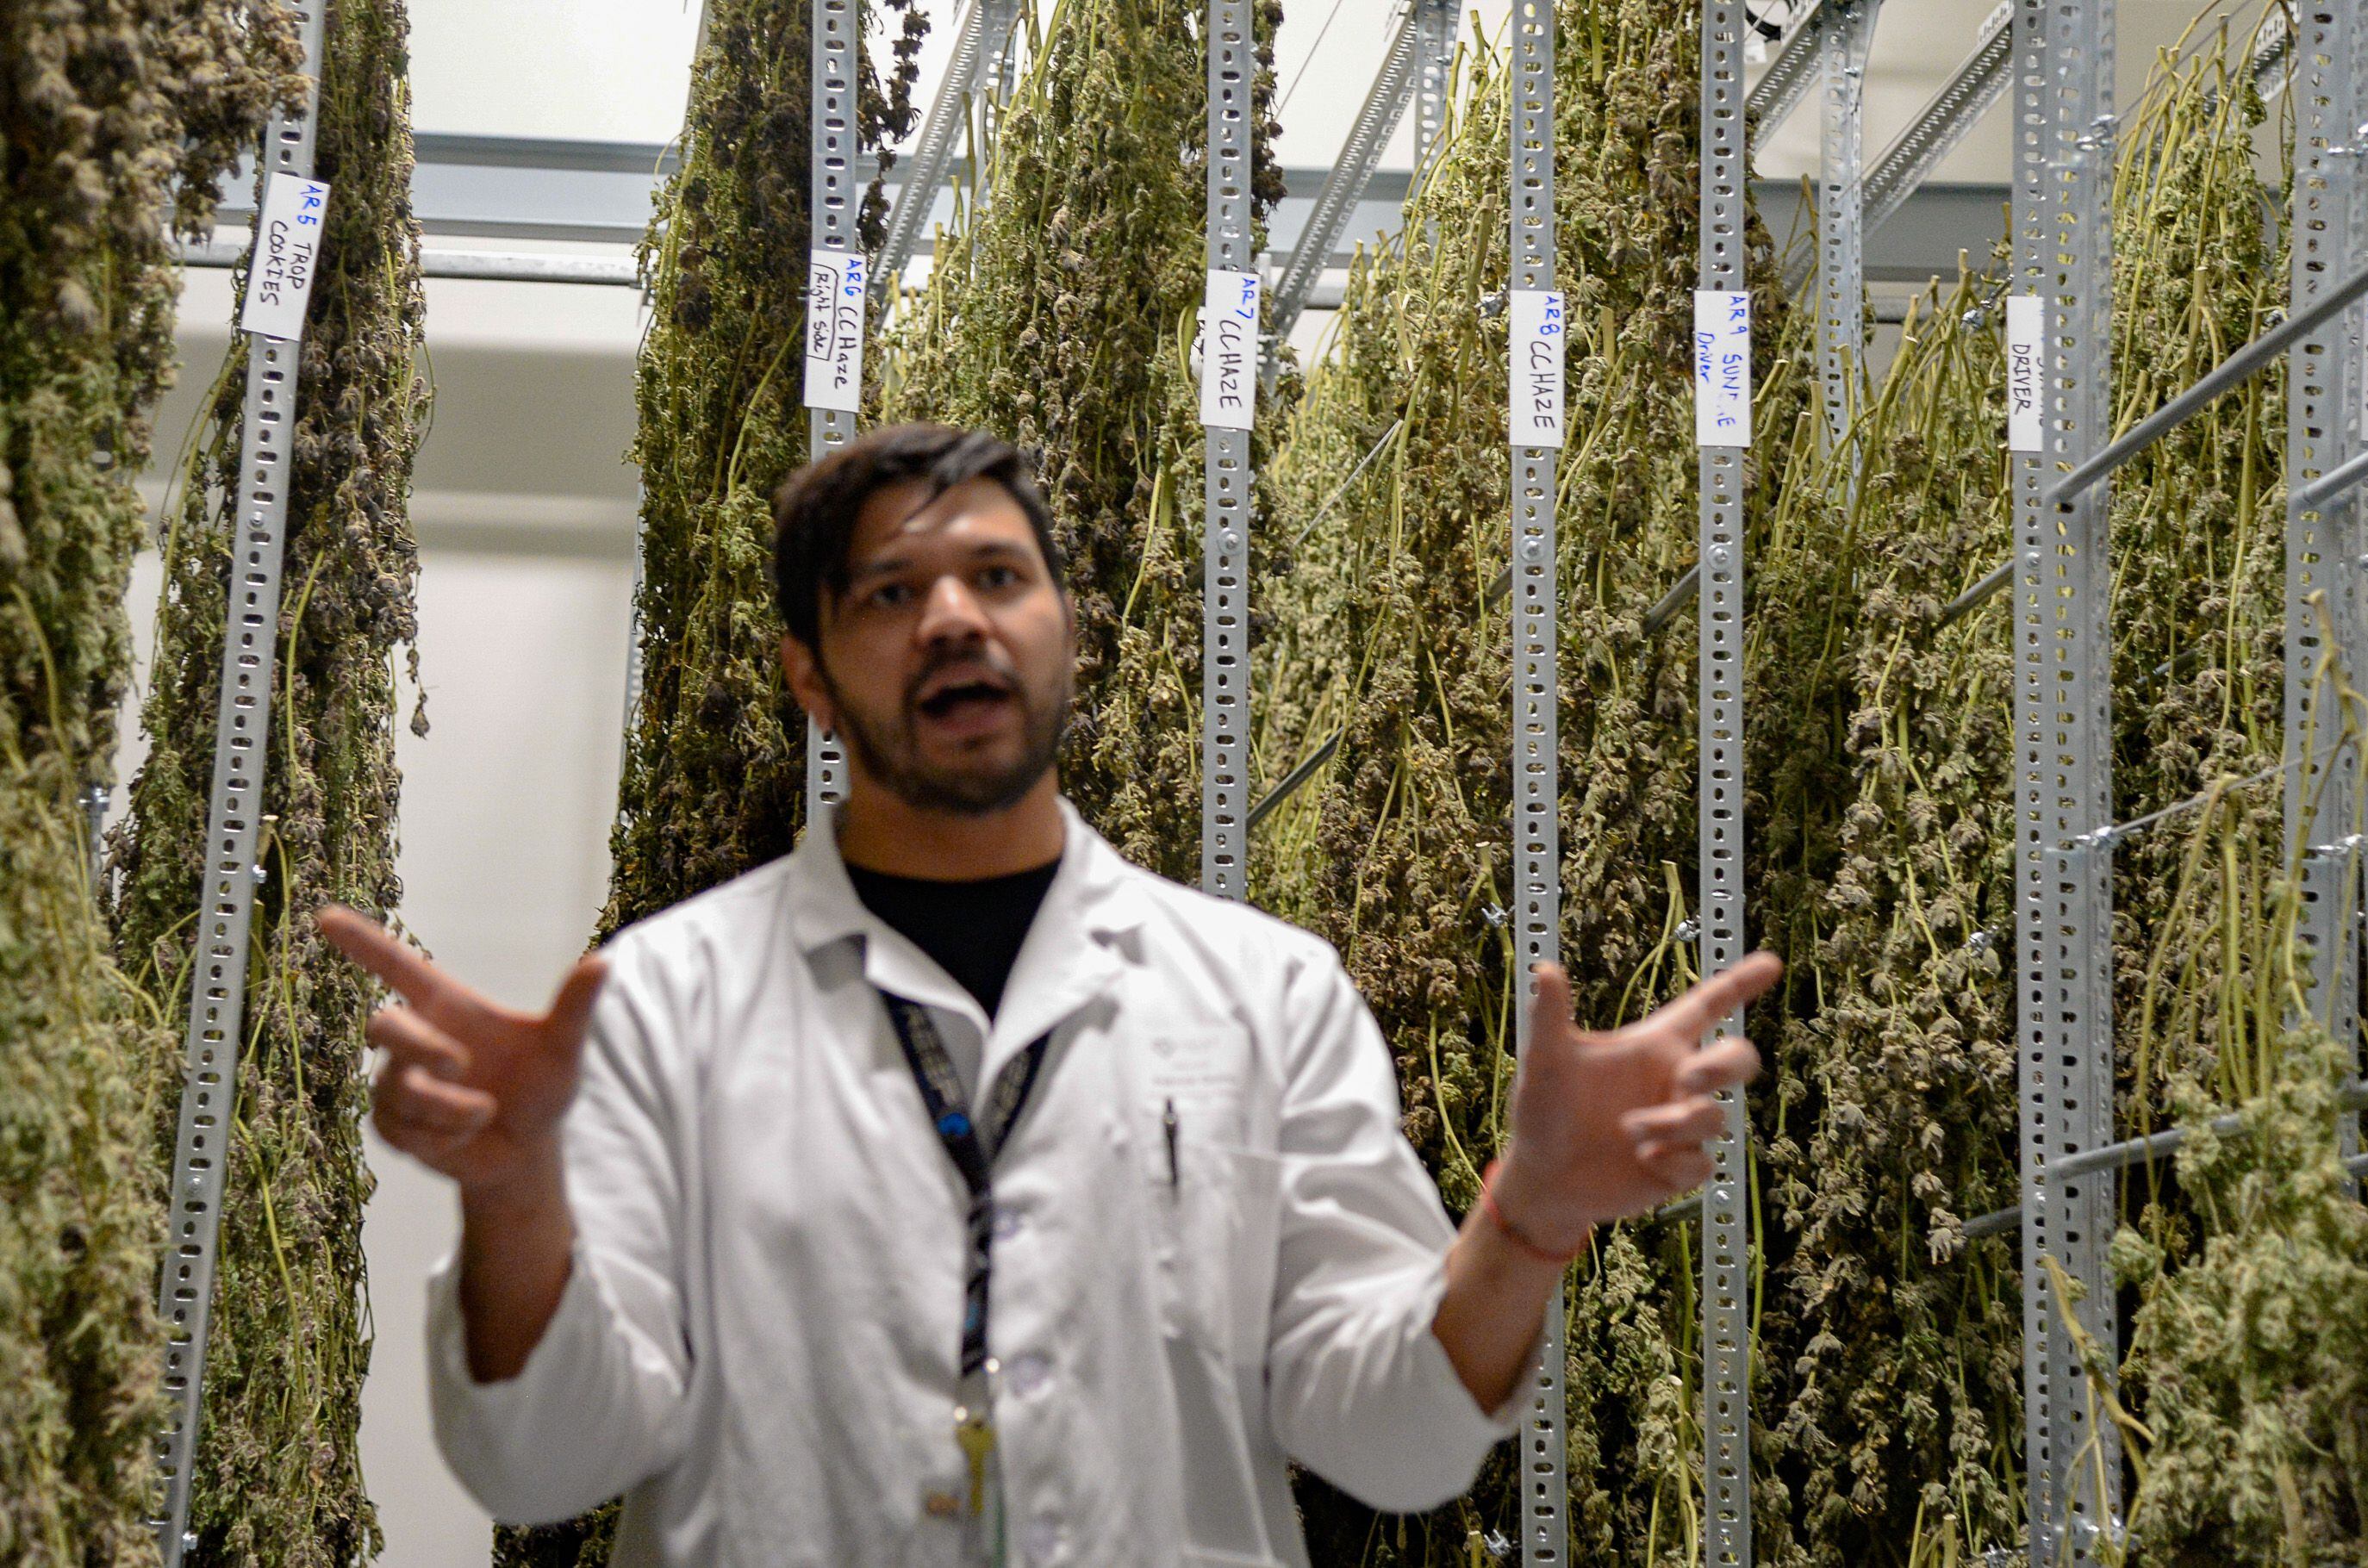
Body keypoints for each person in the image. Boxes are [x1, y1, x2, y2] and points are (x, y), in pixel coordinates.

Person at [320, 422, 1779, 1568]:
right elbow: (548, 1462)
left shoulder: (1263, 995)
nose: (954, 618)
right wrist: (513, 1194)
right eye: (891, 593)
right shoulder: (661, 1001)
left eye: (999, 579)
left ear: (1066, 633)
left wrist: (1531, 1219)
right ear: (811, 679)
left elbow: (1393, 1442)